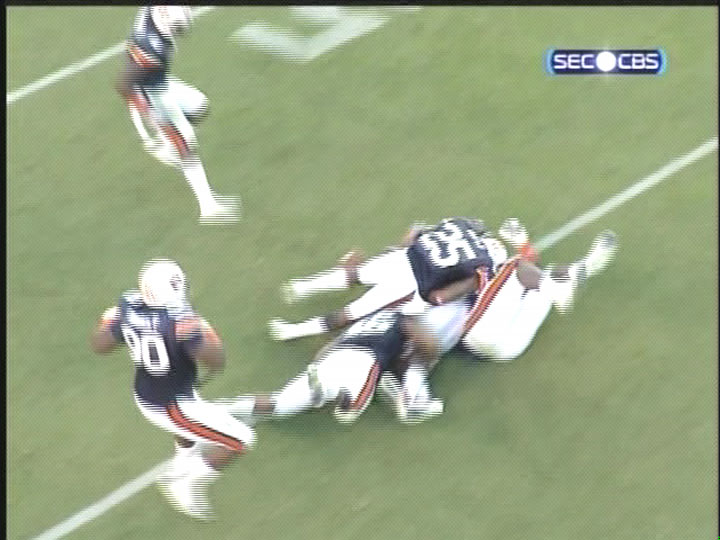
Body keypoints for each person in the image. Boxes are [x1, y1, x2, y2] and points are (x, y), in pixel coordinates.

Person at [377, 221, 619, 420]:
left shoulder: (437, 276)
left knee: (535, 276)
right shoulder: (447, 272)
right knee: (519, 270)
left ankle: (585, 267)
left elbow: (528, 271)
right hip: (485, 337)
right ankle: (572, 277)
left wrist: (522, 244)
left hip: (497, 340)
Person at [90, 259, 254, 519]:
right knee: (241, 440)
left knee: (190, 430)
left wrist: (111, 322)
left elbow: (100, 346)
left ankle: (183, 461)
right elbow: (216, 362)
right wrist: (202, 333)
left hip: (152, 389)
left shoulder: (129, 308)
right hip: (170, 404)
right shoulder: (180, 324)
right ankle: (183, 482)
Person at [268, 217, 510, 341]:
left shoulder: (459, 225)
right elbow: (440, 297)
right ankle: (294, 331)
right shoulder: (484, 265)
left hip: (402, 258)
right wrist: (426, 303)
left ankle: (304, 287)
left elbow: (414, 232)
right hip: (412, 284)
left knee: (355, 274)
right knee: (352, 312)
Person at [115, 6, 239, 223]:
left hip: (159, 82)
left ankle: (168, 145)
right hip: (151, 94)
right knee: (185, 146)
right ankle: (208, 207)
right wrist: (150, 118)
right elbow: (123, 84)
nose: (180, 29)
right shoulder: (154, 48)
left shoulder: (153, 12)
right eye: (177, 26)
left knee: (199, 106)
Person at [224, 307, 445, 425]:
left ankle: (223, 408)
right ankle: (336, 394)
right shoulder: (404, 321)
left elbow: (327, 348)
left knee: (280, 405)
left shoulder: (366, 317)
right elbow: (430, 345)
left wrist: (317, 367)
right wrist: (424, 362)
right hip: (366, 362)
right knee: (349, 413)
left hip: (335, 357)